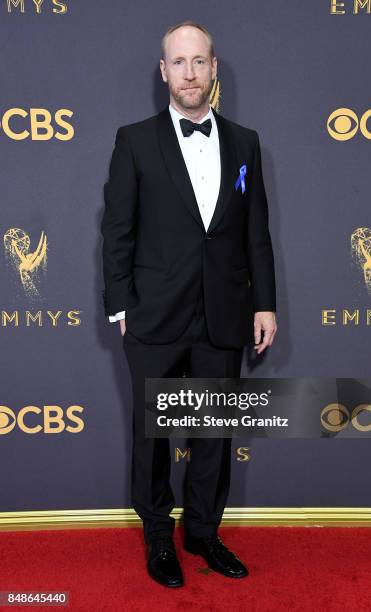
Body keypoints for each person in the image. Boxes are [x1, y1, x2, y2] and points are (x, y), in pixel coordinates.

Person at [100, 20, 277, 588]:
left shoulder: (246, 142)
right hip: (154, 316)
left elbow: (256, 233)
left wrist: (265, 303)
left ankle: (203, 531)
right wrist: (121, 306)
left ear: (214, 68)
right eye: (179, 63)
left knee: (213, 434)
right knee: (154, 433)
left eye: (199, 61)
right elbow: (118, 232)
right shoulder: (134, 139)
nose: (190, 73)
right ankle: (158, 536)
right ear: (163, 72)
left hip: (223, 314)